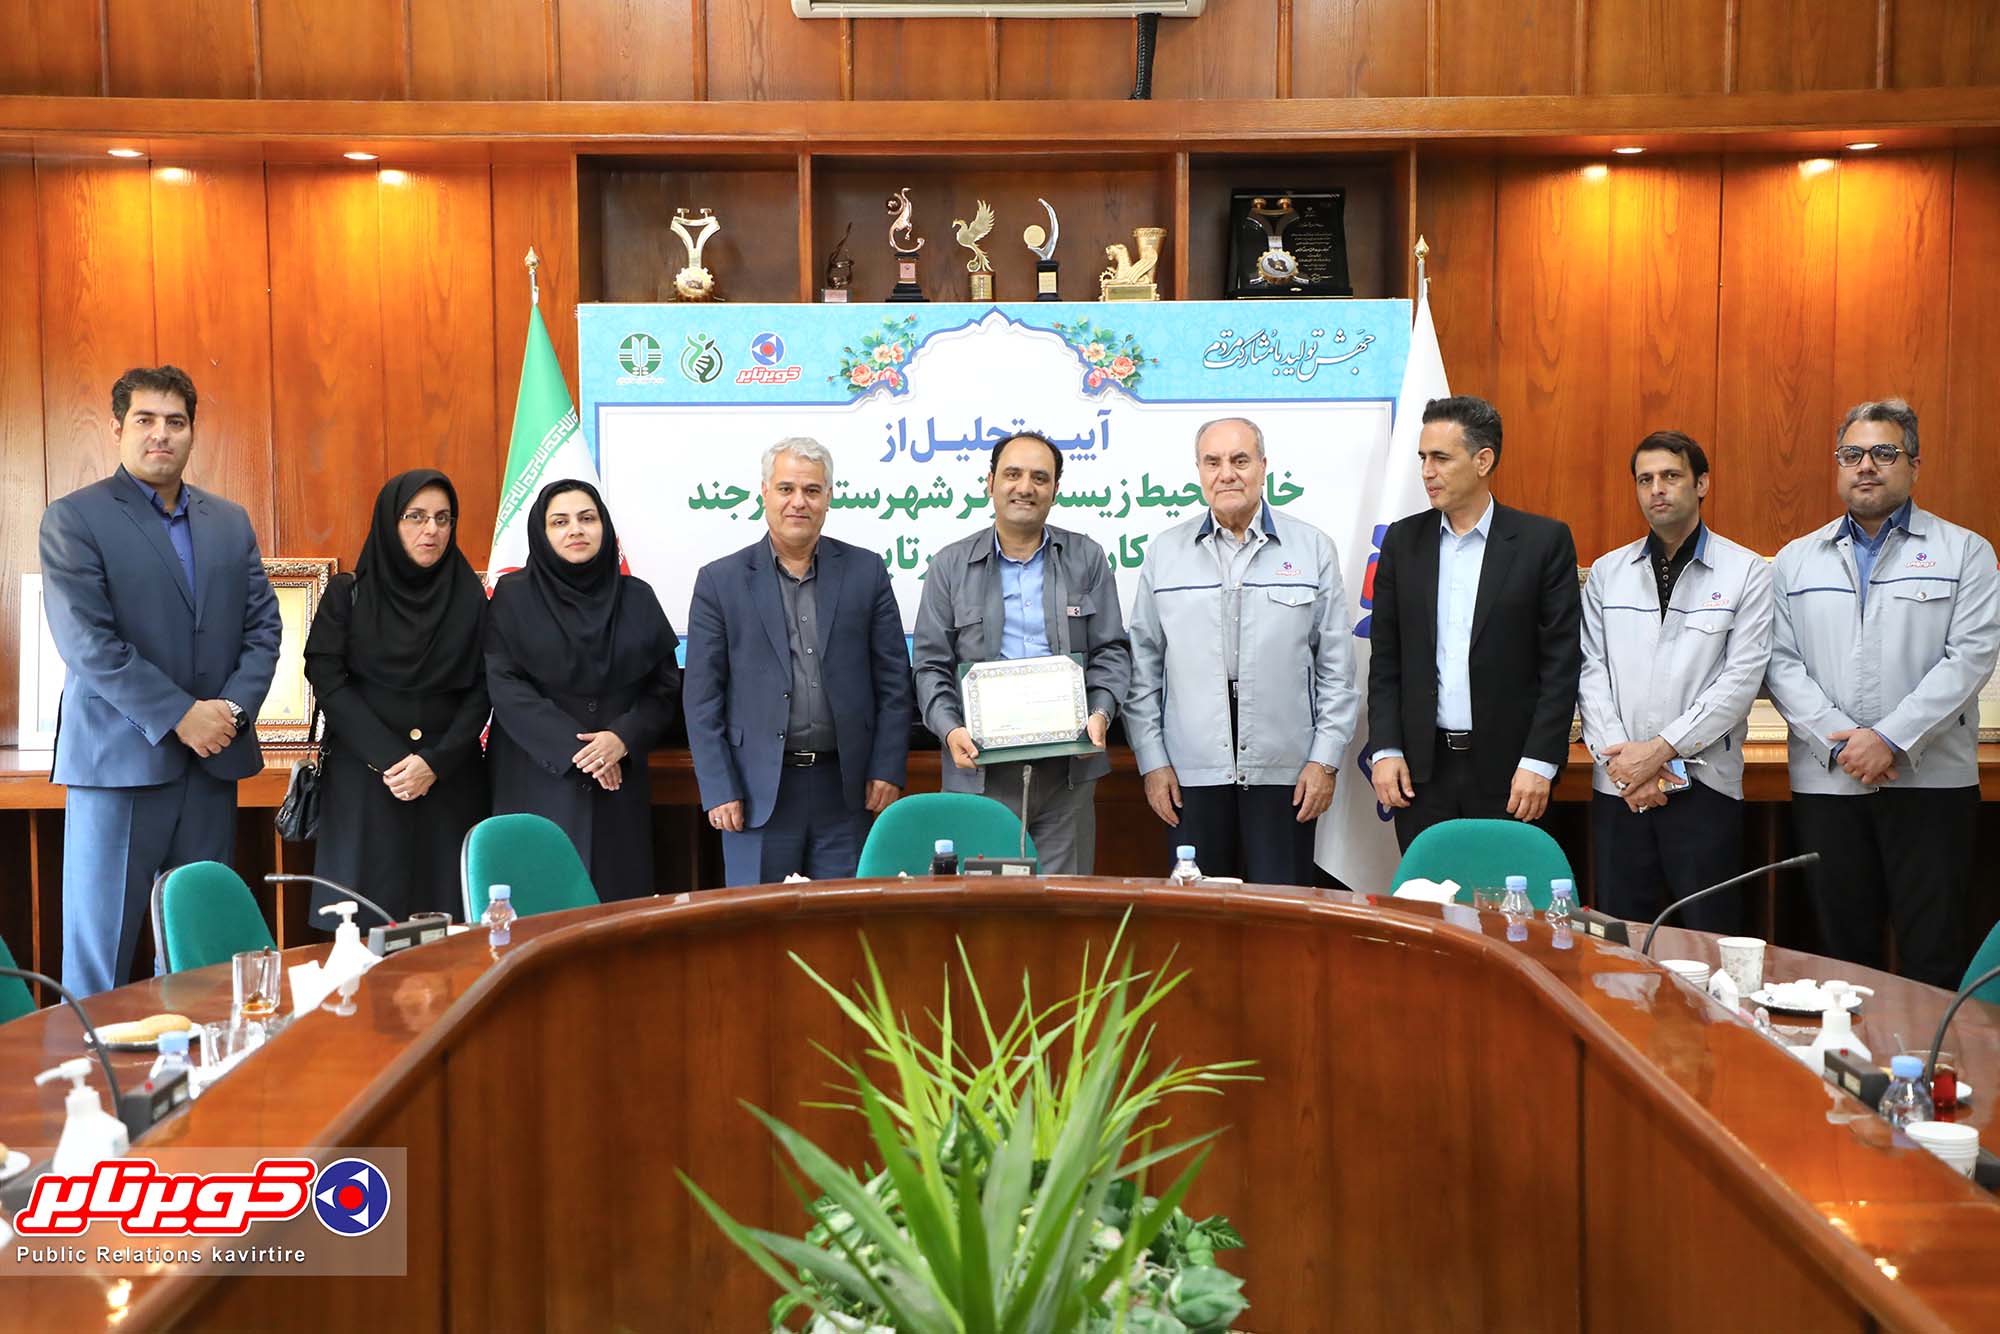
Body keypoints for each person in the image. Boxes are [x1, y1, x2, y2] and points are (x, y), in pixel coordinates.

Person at [37, 366, 281, 996]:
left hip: (212, 763)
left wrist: (229, 712)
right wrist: (181, 715)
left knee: (197, 953)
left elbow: (263, 629)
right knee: (101, 960)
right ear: (117, 428)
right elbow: (88, 643)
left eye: (175, 421)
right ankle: (93, 1061)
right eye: (145, 420)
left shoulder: (229, 522)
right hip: (119, 767)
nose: (161, 434)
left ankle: (195, 1058)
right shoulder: (75, 518)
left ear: (192, 432)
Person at [1766, 400, 2000, 987]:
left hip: (1932, 784)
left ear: (1914, 465)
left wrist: (1889, 739)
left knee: (1933, 953)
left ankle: (1930, 1051)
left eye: (1884, 453)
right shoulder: (1795, 560)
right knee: (1841, 956)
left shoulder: (1965, 552)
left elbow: (1969, 659)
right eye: (1852, 454)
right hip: (1829, 783)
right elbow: (1779, 663)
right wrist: (1843, 744)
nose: (1865, 465)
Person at [1125, 418, 1358, 885]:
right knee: (1202, 913)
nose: (1226, 474)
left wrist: (1324, 761)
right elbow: (1143, 668)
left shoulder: (1312, 548)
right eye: (1213, 462)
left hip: (1287, 773)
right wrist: (1152, 762)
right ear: (1199, 470)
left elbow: (1336, 667)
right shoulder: (1166, 552)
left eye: (1240, 460)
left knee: (1282, 909)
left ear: (1263, 466)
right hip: (1190, 774)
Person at [684, 438, 914, 885]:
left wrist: (887, 767)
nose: (798, 502)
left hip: (846, 791)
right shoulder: (720, 581)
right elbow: (701, 698)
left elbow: (893, 682)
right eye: (786, 489)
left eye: (811, 490)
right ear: (764, 493)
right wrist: (718, 787)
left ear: (829, 497)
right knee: (759, 921)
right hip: (754, 793)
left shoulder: (866, 571)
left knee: (844, 919)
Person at [1366, 394, 1583, 850]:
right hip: (1421, 776)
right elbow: (1386, 660)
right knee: (1428, 893)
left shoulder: (1542, 542)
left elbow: (1561, 665)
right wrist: (1385, 749)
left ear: (1483, 460)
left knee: (1509, 896)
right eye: (1423, 458)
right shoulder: (1403, 542)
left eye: (1441, 458)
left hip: (1513, 775)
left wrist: (1540, 761)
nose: (1427, 471)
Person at [1578, 431, 1773, 933]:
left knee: (1708, 939)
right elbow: (1590, 671)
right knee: (1622, 940)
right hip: (1620, 787)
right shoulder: (1608, 572)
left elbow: (1740, 680)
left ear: (1701, 483)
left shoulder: (1746, 572)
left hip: (1704, 786)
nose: (1657, 489)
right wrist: (1624, 763)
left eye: (1670, 476)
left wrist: (1659, 752)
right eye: (1645, 480)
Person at [913, 431, 1130, 874]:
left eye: (1039, 477)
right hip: (978, 774)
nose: (1025, 487)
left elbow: (1111, 651)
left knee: (1063, 902)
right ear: (990, 482)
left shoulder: (1087, 558)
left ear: (1055, 489)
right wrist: (950, 730)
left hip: (1066, 774)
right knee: (983, 905)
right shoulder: (949, 566)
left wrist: (1100, 714)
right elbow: (930, 666)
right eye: (1012, 474)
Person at [303, 469, 490, 923]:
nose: (432, 530)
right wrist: (392, 759)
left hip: (449, 784)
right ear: (390, 522)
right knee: (364, 931)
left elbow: (487, 687)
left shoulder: (471, 597)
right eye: (416, 516)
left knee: (452, 931)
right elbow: (326, 677)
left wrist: (434, 763)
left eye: (443, 518)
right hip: (367, 786)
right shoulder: (348, 594)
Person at [485, 479, 682, 900]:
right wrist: (582, 752)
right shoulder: (513, 597)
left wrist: (621, 738)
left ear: (604, 528)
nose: (575, 529)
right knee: (541, 906)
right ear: (542, 532)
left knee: (616, 908)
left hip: (618, 785)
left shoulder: (638, 597)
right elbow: (505, 685)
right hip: (538, 780)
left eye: (587, 518)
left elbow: (664, 687)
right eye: (560, 522)